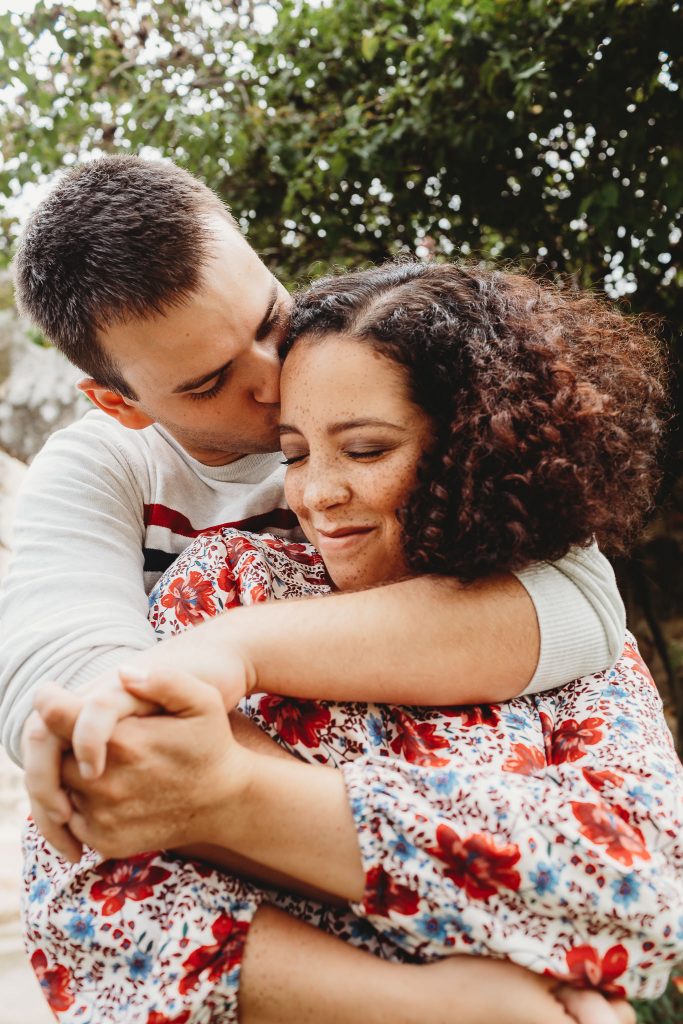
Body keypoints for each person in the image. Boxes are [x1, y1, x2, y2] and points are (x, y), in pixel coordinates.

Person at [23, 263, 681, 1024]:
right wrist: (430, 1006)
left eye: (365, 450)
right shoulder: (226, 578)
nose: (314, 493)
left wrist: (231, 799)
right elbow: (86, 901)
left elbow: (644, 888)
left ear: (479, 443)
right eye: (293, 453)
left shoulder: (566, 641)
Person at [1, 156, 626, 840]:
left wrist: (237, 649)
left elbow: (579, 605)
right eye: (210, 382)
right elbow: (65, 700)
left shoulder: (392, 373)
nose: (273, 379)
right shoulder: (102, 471)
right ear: (119, 404)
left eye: (271, 318)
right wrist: (364, 848)